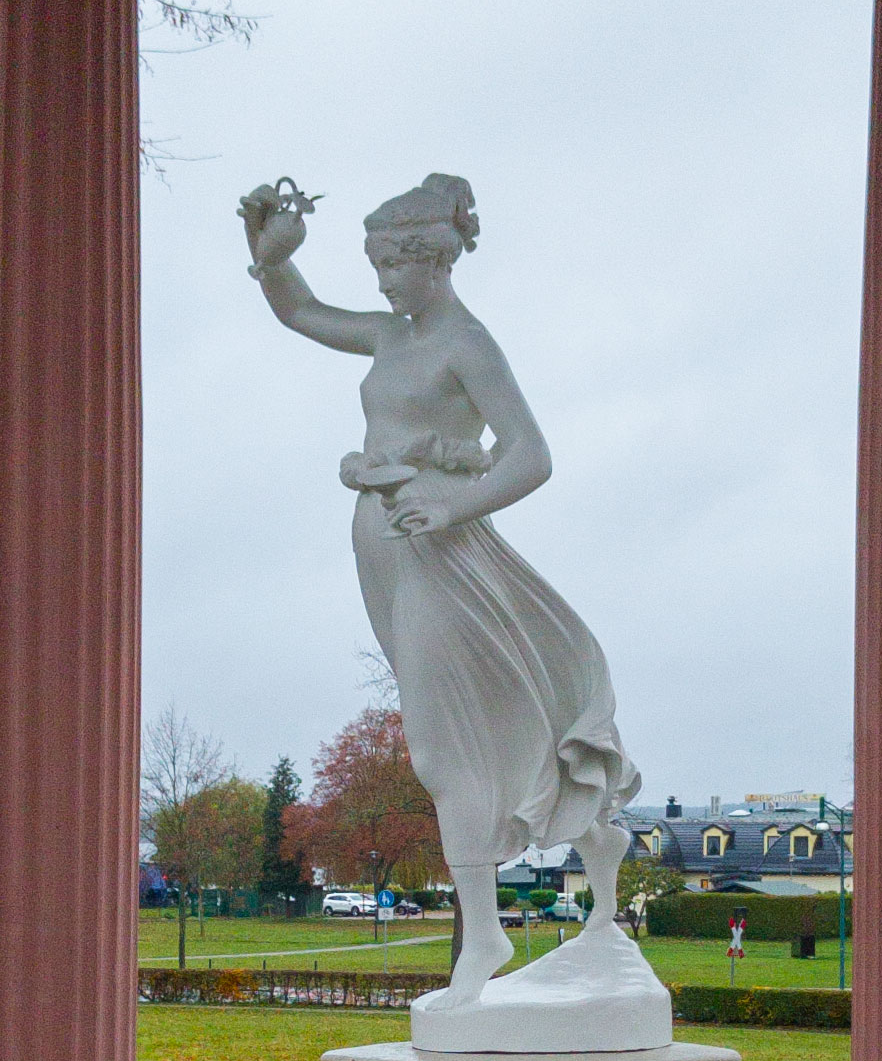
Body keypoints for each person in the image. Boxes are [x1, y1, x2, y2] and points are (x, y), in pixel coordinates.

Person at [239, 172, 638, 1008]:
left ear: (434, 260)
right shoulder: (391, 336)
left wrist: (453, 503)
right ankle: (598, 853)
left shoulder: (467, 344)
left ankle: (483, 934)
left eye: (391, 265)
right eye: (375, 264)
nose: (381, 281)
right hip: (379, 544)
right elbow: (301, 313)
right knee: (499, 720)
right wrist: (270, 258)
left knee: (440, 743)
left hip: (438, 550)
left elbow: (531, 454)